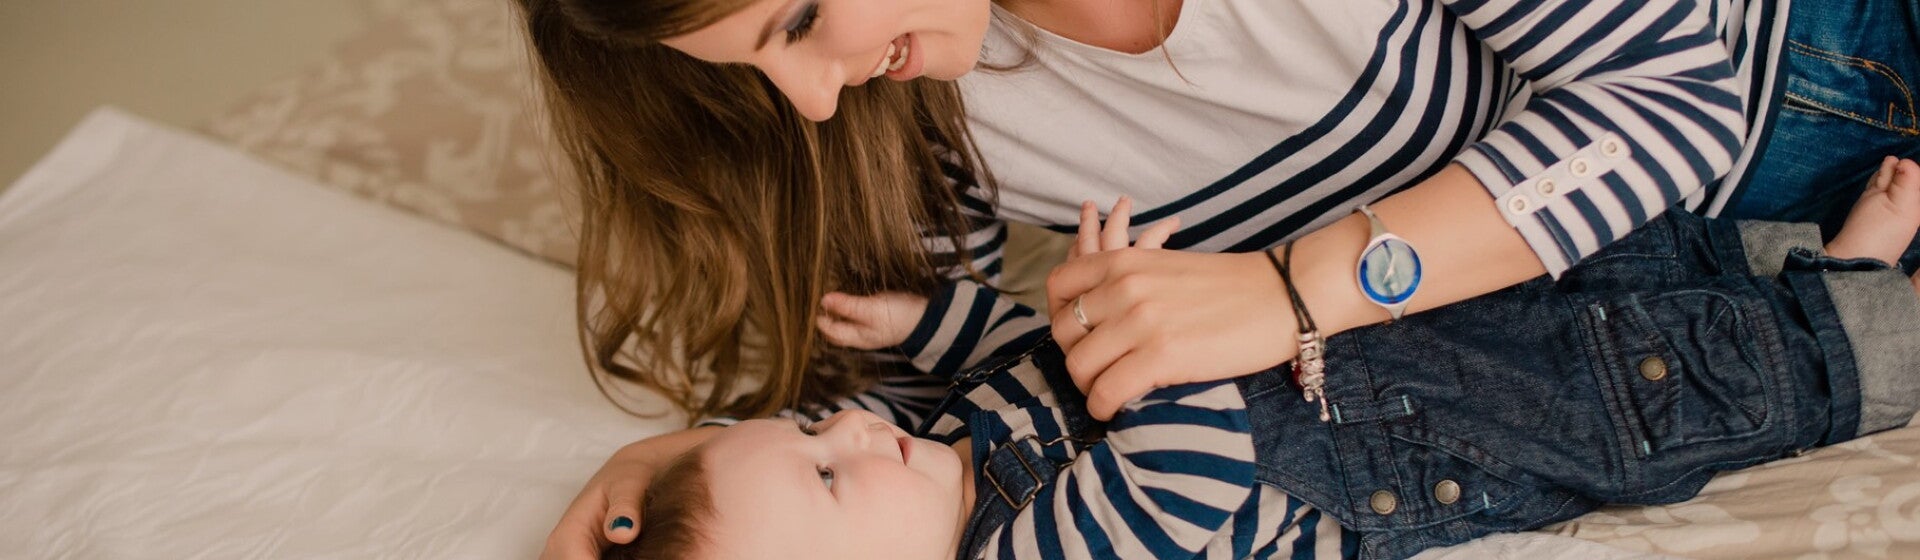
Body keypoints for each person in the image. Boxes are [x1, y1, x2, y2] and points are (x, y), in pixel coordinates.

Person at [516, 0, 1920, 556]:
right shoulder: (926, 103)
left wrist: (1292, 293)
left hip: (1807, 80)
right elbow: (940, 390)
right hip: (1633, 264)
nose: (810, 101)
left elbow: (1675, 97)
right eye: (768, 61)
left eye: (803, 19)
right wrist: (699, 489)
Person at [600, 164, 1920, 560]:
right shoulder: (1025, 556)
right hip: (1418, 449)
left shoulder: (945, 443)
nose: (851, 437)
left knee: (1601, 279)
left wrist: (929, 331)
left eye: (813, 432)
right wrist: (1121, 318)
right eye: (832, 483)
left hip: (1368, 343)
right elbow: (1189, 458)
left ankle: (1809, 261)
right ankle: (1855, 309)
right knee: (1635, 394)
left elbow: (1026, 358)